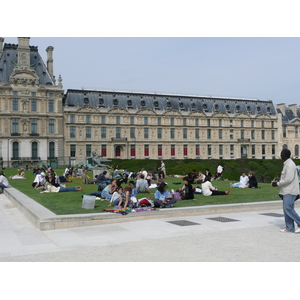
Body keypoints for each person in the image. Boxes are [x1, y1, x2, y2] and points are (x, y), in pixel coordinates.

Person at [272, 149, 300, 233]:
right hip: (287, 190)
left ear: (285, 155)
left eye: (281, 154)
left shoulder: (290, 164)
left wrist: (277, 184)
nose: (280, 155)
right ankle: (289, 227)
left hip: (290, 190)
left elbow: (288, 179)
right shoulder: (287, 164)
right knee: (286, 209)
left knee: (288, 208)